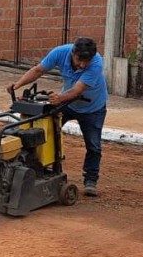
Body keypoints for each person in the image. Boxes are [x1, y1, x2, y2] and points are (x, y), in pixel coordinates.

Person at [7, 37, 108, 196]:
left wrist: (59, 98)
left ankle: (91, 180)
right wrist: (17, 84)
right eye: (79, 60)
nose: (82, 65)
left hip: (92, 108)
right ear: (73, 53)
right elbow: (38, 70)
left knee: (93, 145)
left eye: (85, 62)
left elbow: (77, 90)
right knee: (46, 132)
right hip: (67, 103)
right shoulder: (60, 52)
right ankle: (41, 166)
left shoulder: (96, 63)